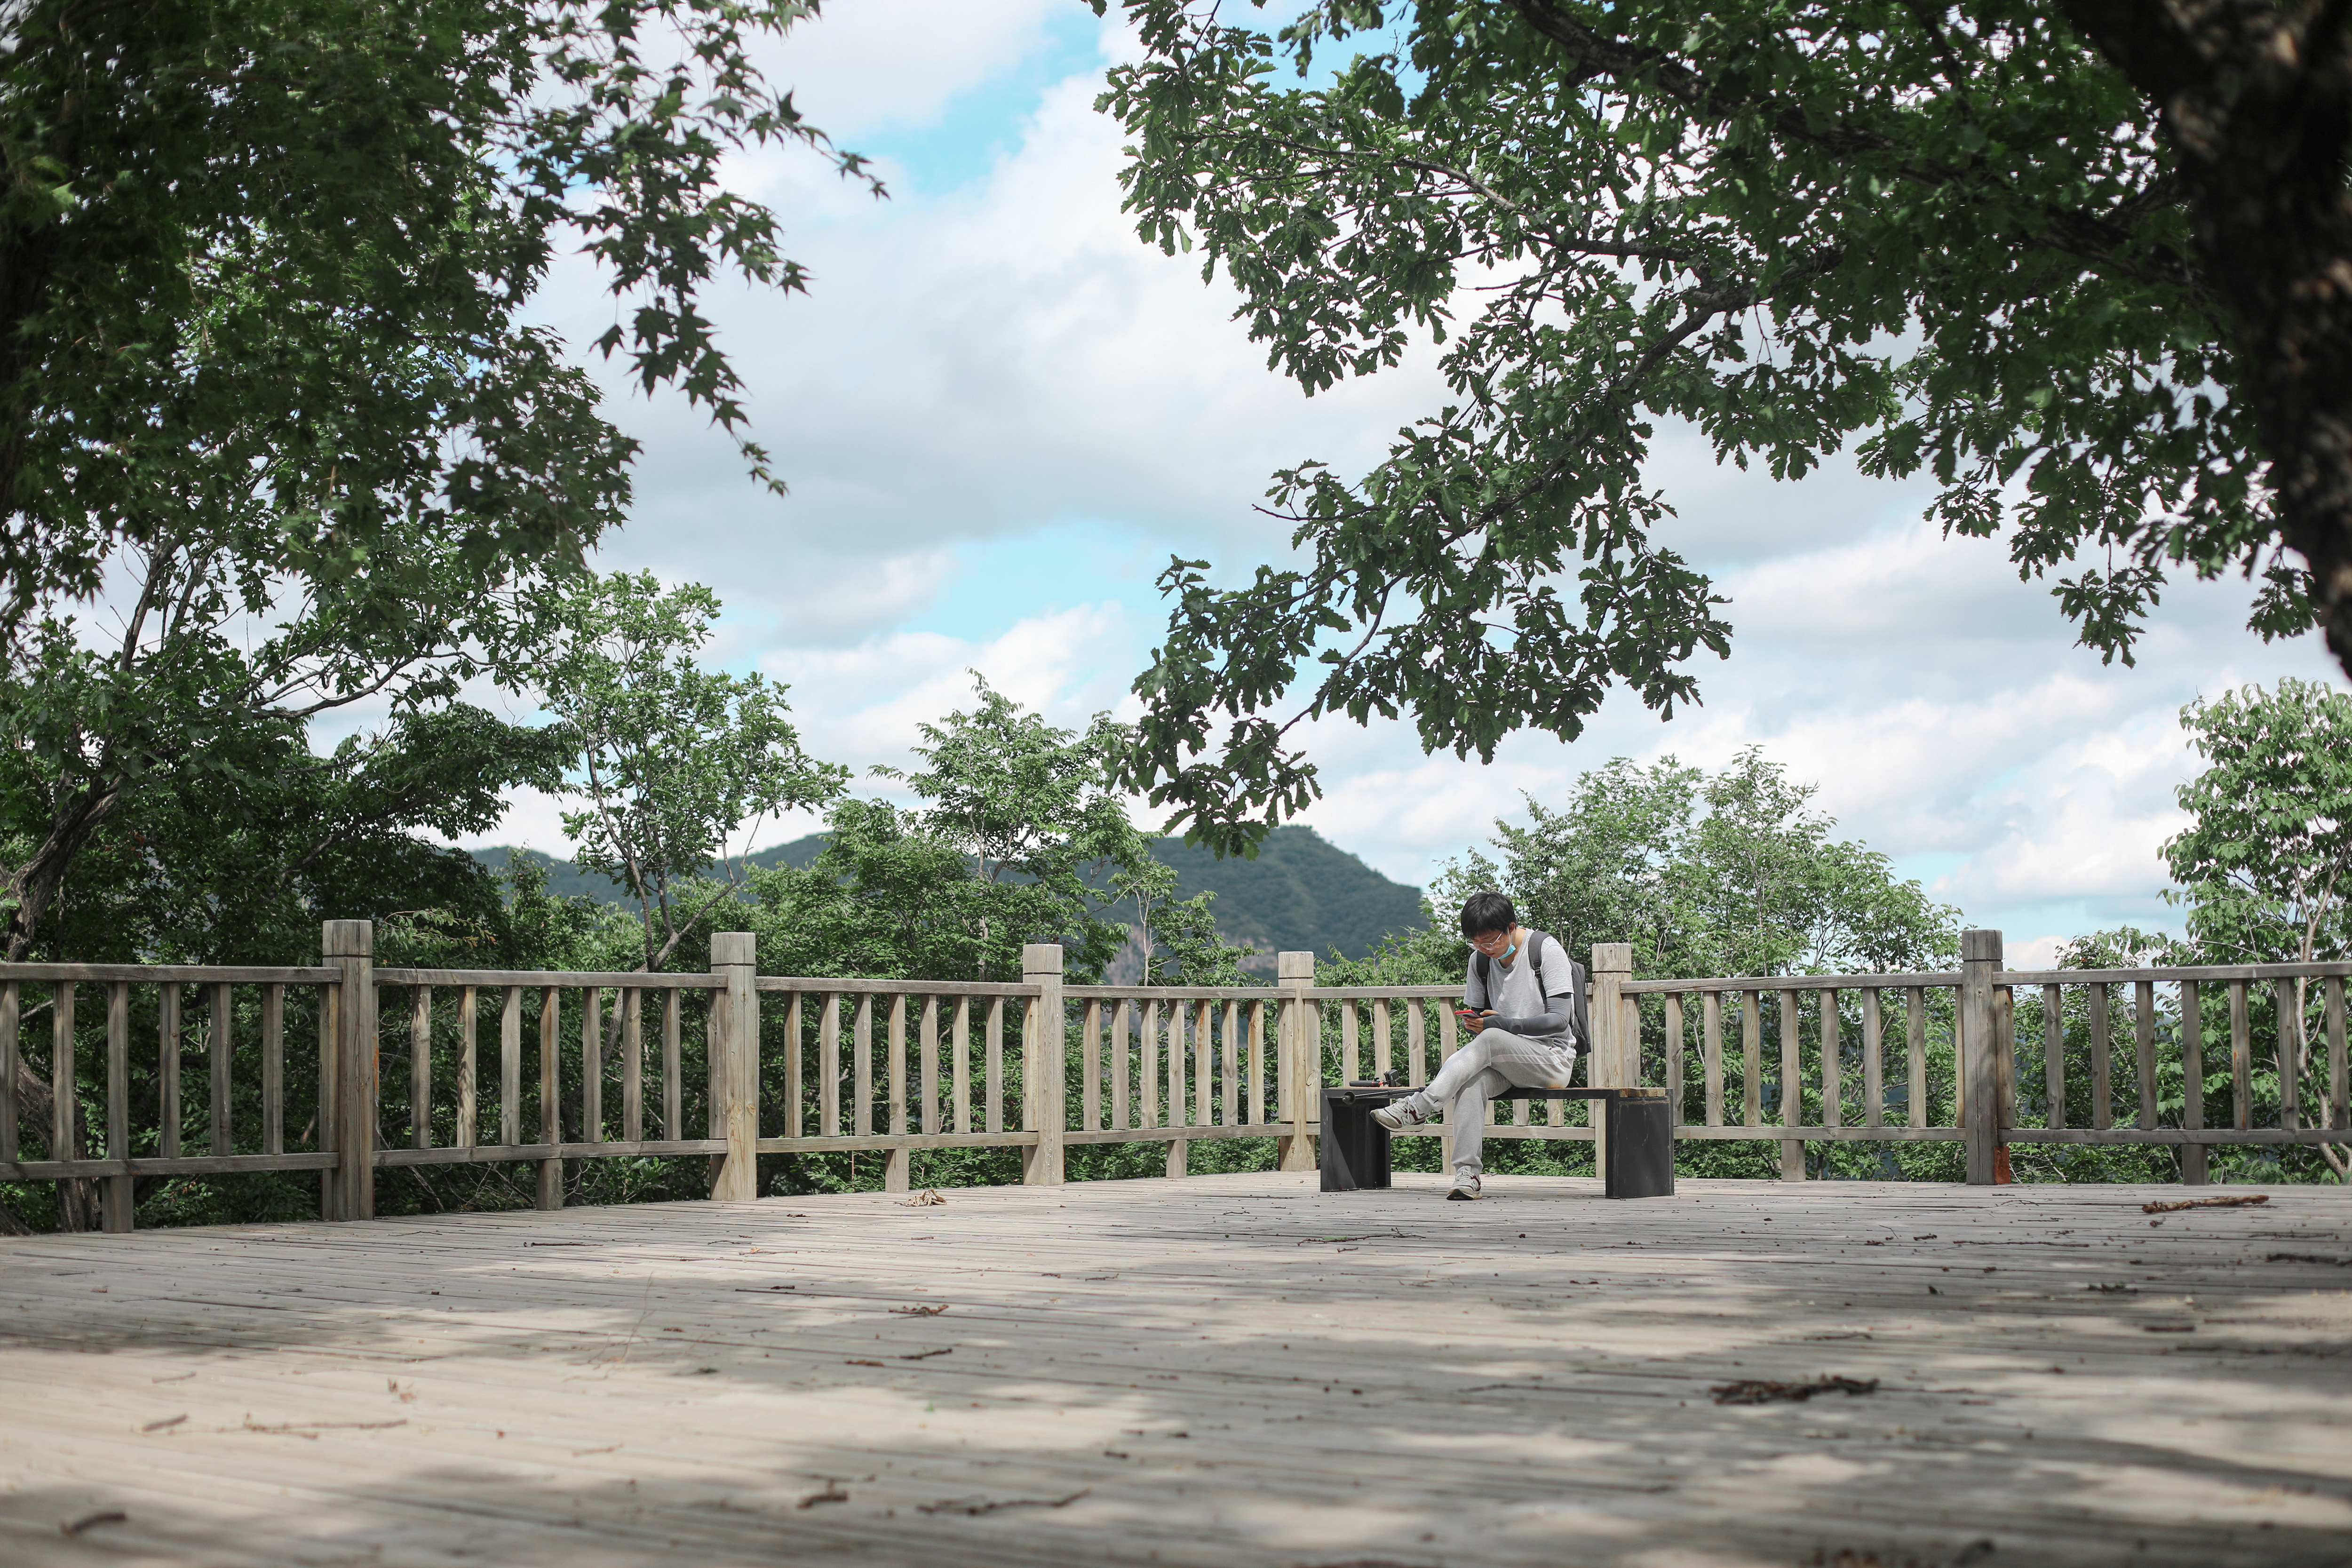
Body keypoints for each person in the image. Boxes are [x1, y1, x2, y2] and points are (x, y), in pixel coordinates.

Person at [1374, 891, 1587, 1200]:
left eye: (1491, 941)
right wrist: (1475, 1022)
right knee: (1469, 1081)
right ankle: (1467, 1175)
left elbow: (1559, 1020)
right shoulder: (1480, 961)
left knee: (1491, 1038)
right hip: (1506, 1057)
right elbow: (1479, 1017)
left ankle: (1419, 1106)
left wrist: (1503, 1024)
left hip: (1551, 1059)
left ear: (1511, 927)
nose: (1485, 948)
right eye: (1477, 942)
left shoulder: (1545, 950)